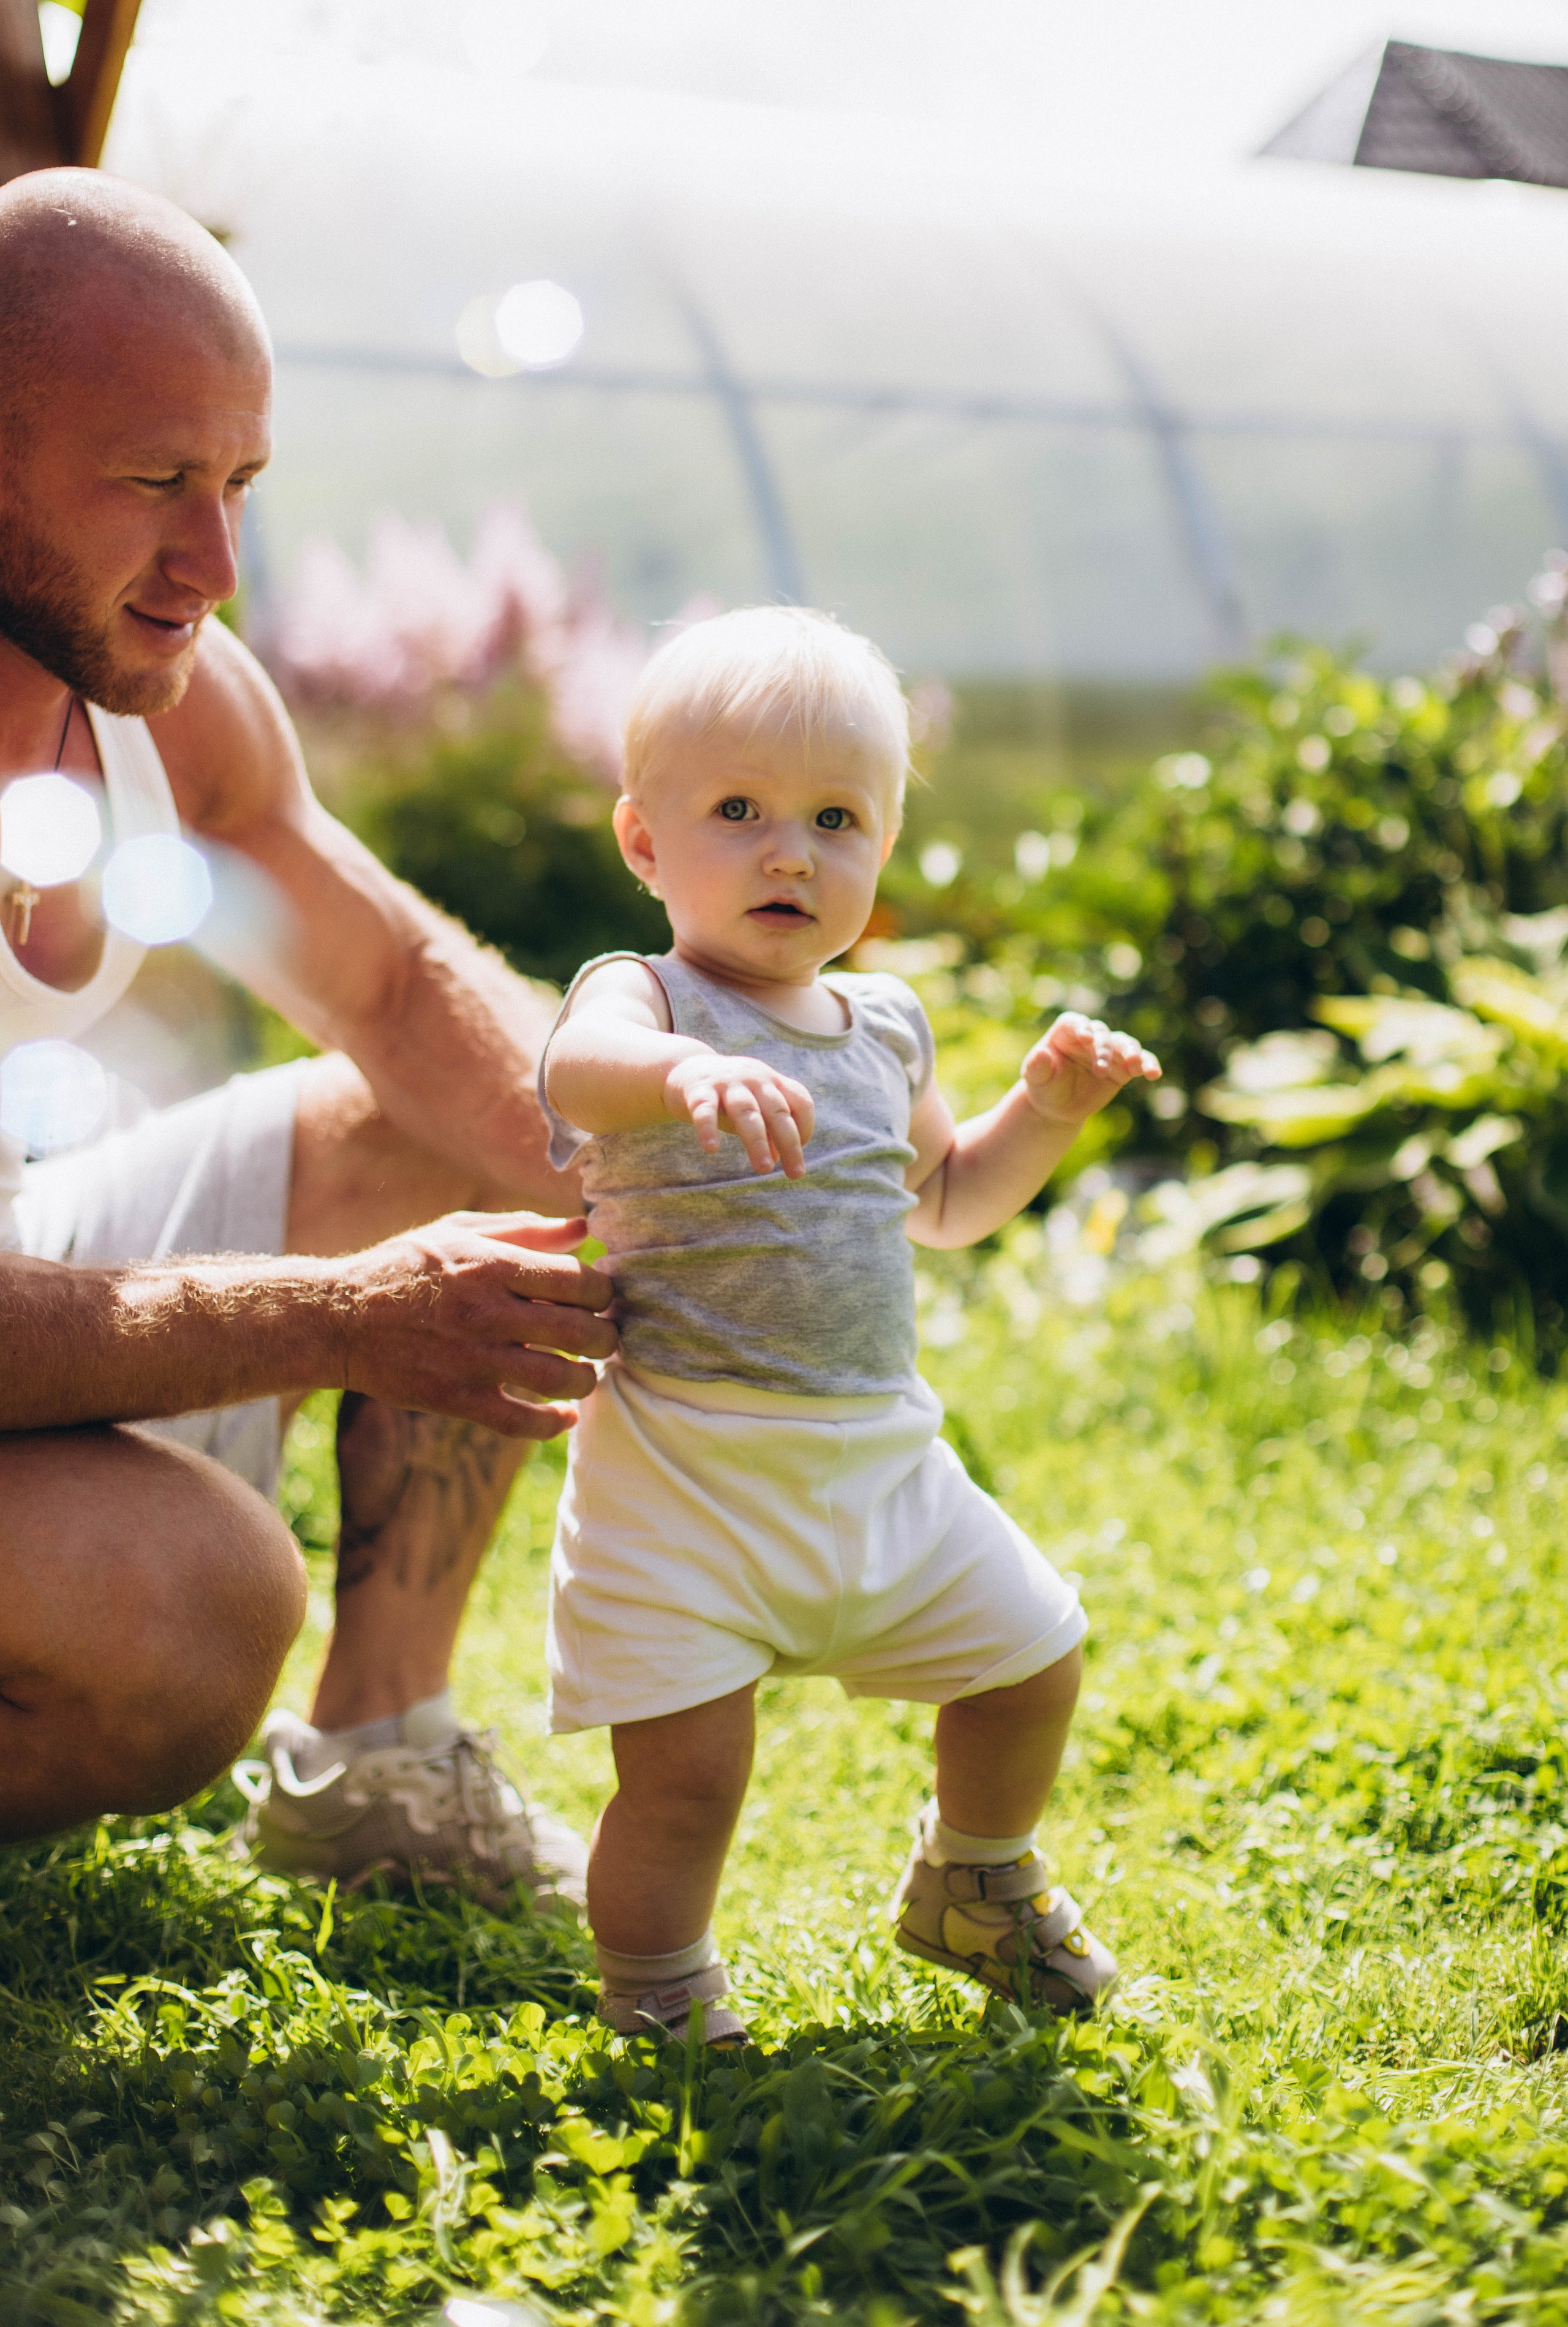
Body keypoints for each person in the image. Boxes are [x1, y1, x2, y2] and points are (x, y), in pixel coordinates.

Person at [0, 167, 613, 1907]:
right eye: (155, 486)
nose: (214, 565)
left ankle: (377, 1765)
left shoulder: (164, 694)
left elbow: (400, 991)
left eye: (241, 483)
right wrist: (357, 1317)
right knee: (201, 1609)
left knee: (518, 1126)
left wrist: (696, 1189)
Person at [538, 605, 1161, 2043]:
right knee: (686, 1778)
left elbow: (942, 1200)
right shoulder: (645, 999)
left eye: (835, 819)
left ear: (877, 848)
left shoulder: (884, 1025)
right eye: (738, 811)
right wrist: (678, 1076)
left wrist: (1044, 1113)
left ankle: (974, 1876)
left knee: (1030, 1658)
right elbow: (580, 1072)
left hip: (876, 1458)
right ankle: (656, 1997)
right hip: (683, 1474)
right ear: (643, 843)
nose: (787, 853)